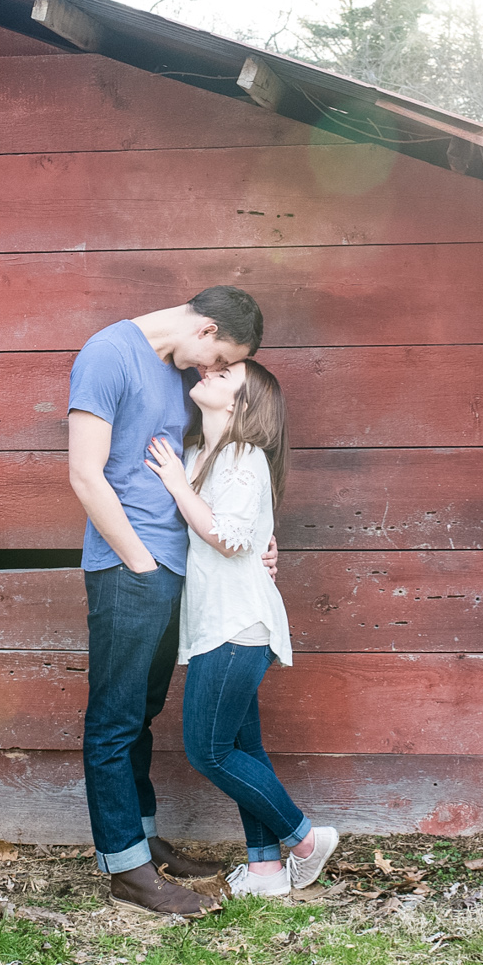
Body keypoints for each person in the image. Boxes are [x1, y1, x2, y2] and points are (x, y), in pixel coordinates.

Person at [67, 286, 271, 917]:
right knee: (115, 718)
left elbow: (215, 460)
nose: (210, 373)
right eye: (218, 359)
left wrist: (262, 535)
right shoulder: (109, 354)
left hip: (174, 568)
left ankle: (143, 839)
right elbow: (84, 471)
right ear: (206, 330)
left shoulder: (169, 372)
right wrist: (137, 559)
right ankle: (125, 869)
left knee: (143, 714)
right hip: (131, 568)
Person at [144, 359, 340, 898]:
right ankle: (265, 869)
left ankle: (302, 840)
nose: (209, 370)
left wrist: (180, 487)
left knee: (207, 751)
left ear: (241, 404)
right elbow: (238, 537)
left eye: (225, 373)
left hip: (238, 625)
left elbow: (227, 536)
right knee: (242, 749)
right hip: (215, 624)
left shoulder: (241, 456)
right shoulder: (195, 455)